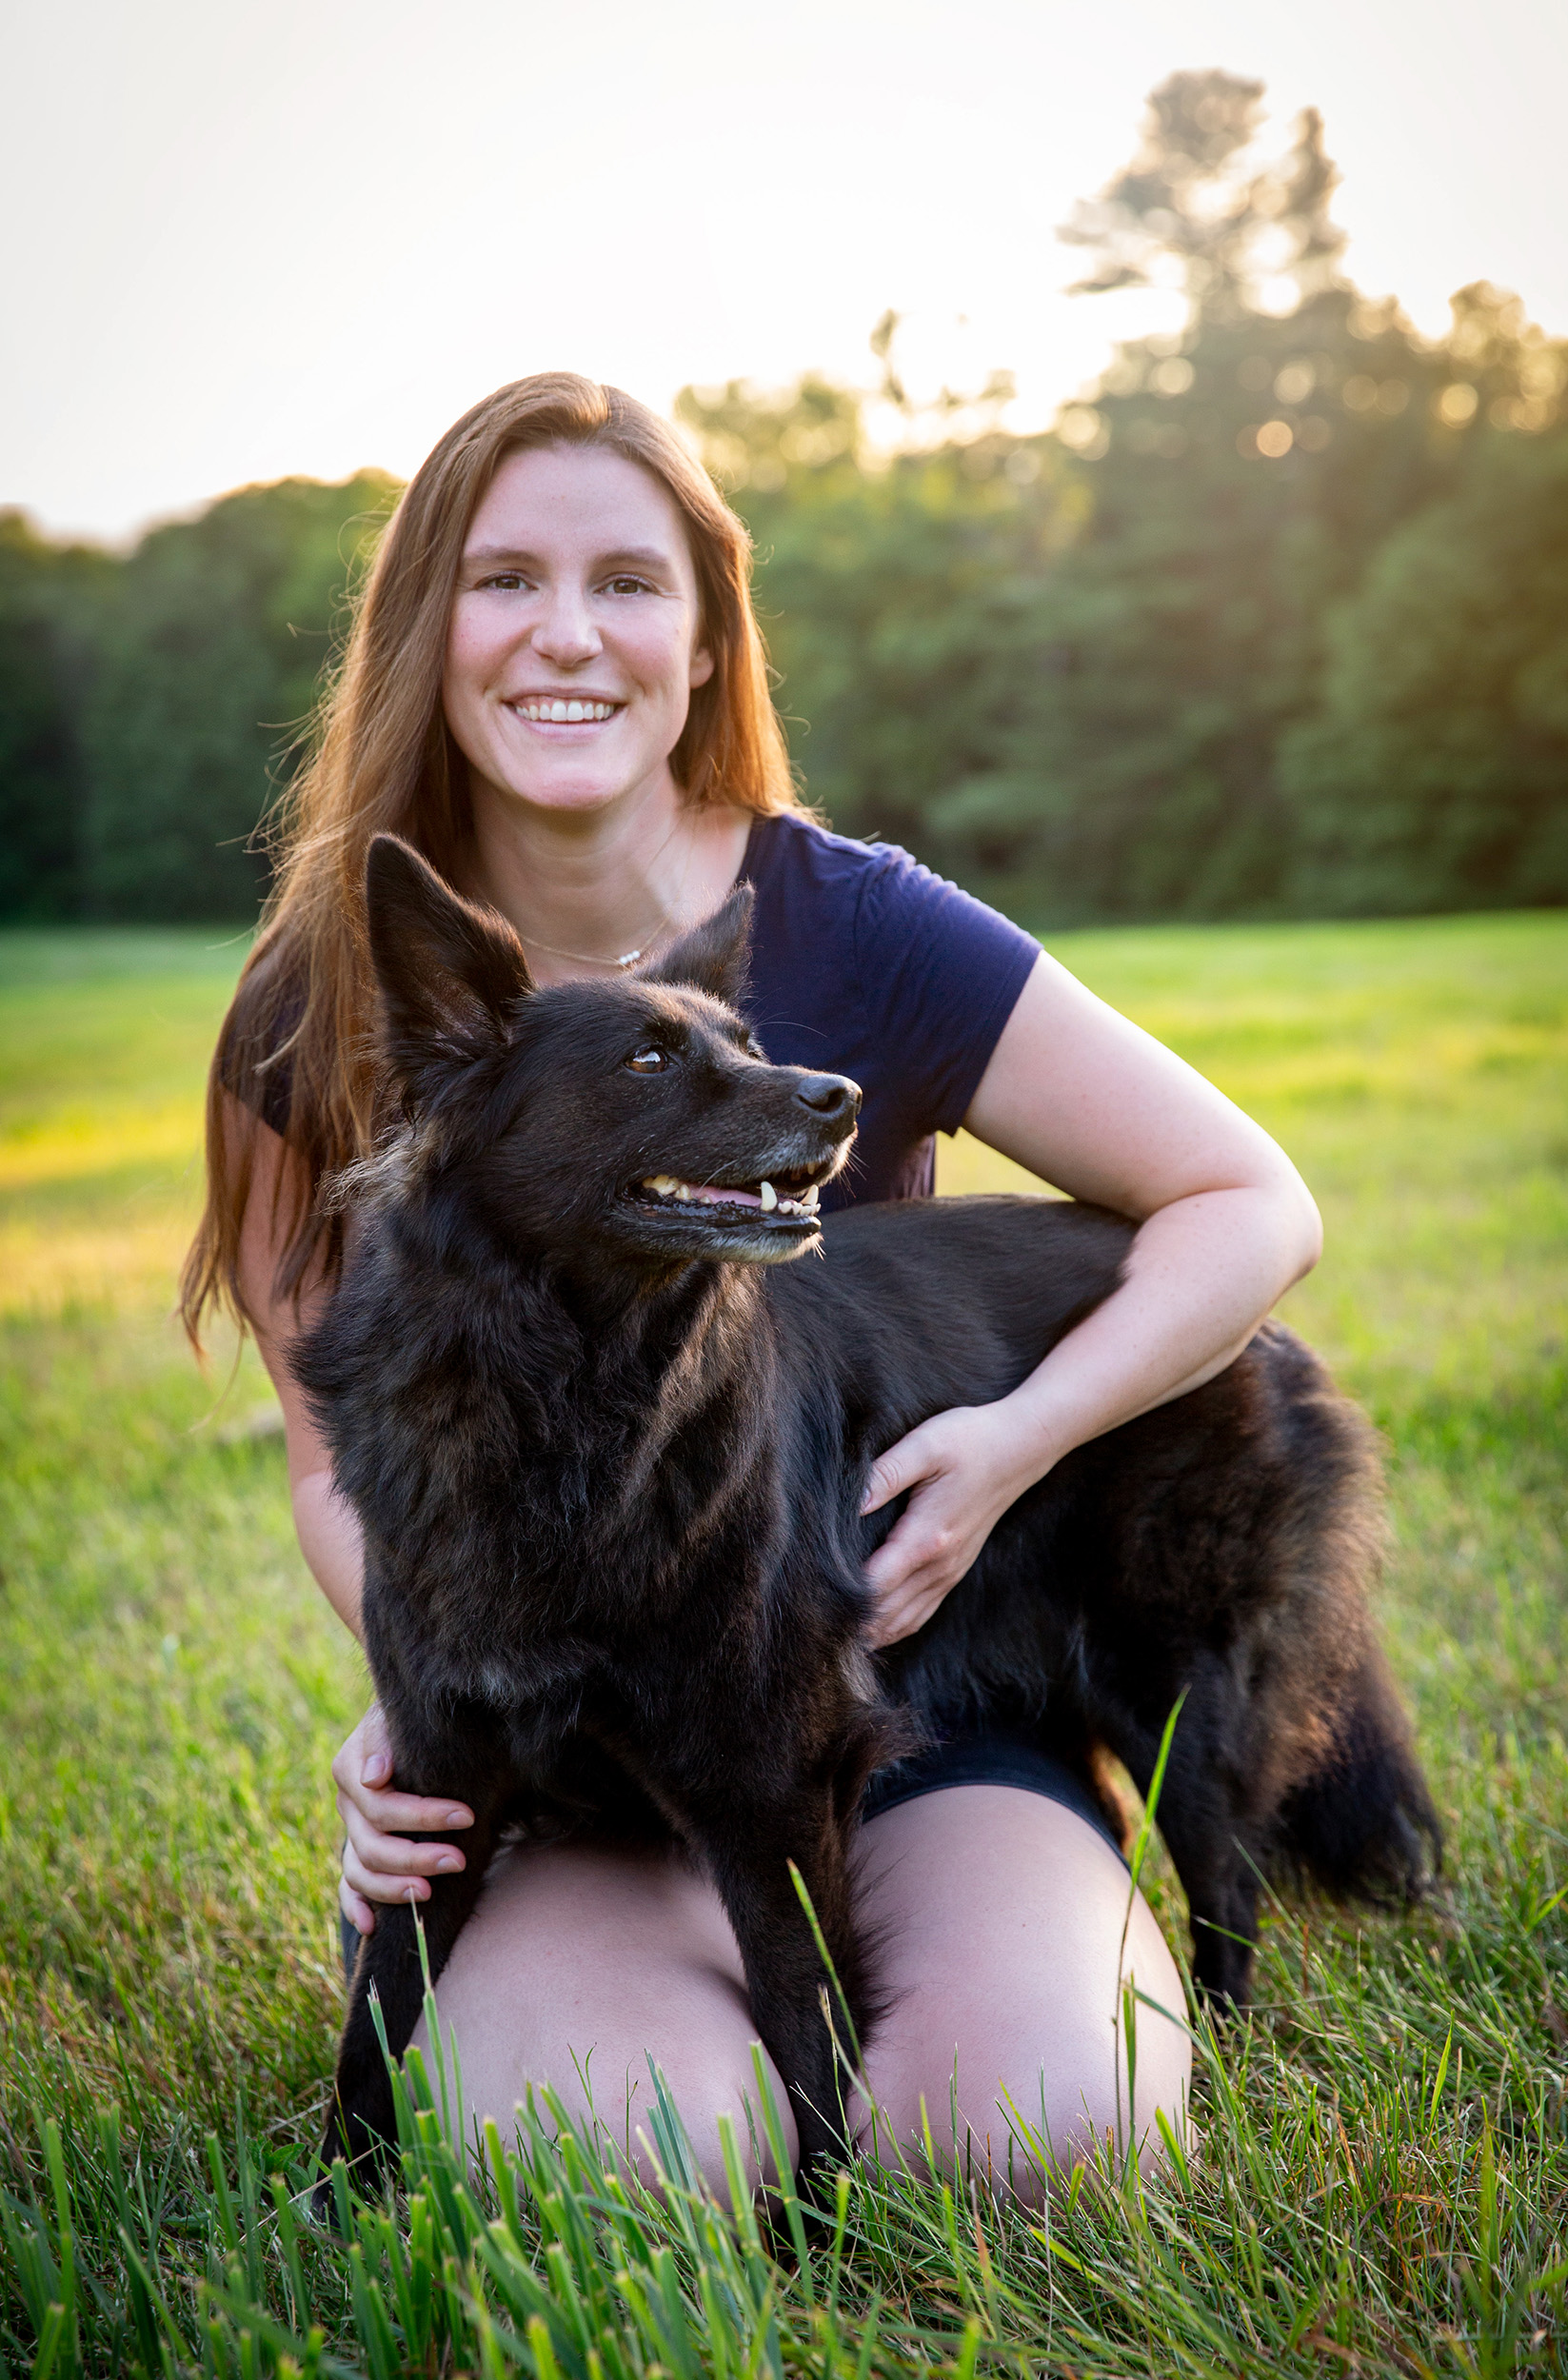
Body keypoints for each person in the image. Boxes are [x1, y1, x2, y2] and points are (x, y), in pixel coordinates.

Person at [184, 372, 1321, 2202]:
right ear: (423, 625)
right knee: (615, 2177)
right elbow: (338, 1447)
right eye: (505, 580)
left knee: (1035, 2148)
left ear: (708, 637)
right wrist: (420, 1687)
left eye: (631, 583)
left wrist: (1017, 1443)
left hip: (918, 1717)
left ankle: (1076, 1924)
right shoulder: (326, 1001)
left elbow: (1248, 1201)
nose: (569, 634)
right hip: (568, 1774)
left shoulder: (854, 923)